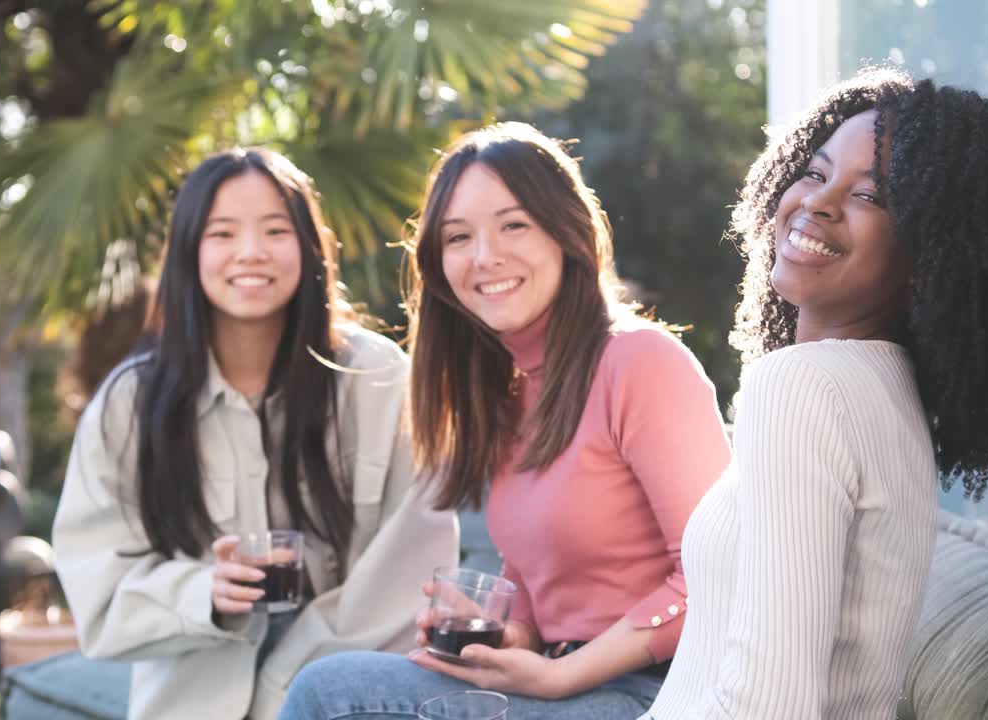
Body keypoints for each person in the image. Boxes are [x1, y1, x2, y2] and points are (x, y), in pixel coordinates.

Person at [642, 68, 988, 720]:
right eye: (817, 173)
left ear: (934, 255)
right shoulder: (884, 391)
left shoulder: (804, 388)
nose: (817, 204)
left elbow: (768, 707)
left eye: (873, 196)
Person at [278, 123, 732, 719]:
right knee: (331, 688)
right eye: (459, 237)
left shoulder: (640, 362)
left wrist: (560, 675)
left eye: (513, 224)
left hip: (659, 692)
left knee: (333, 699)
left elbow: (719, 575)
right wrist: (511, 636)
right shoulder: (509, 391)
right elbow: (536, 574)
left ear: (565, 232)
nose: (485, 256)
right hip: (567, 679)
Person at [51, 147, 458, 720]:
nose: (250, 252)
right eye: (222, 233)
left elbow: (410, 572)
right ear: (189, 251)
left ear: (309, 247)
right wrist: (204, 593)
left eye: (275, 229)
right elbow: (98, 587)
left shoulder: (378, 378)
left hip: (341, 703)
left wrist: (286, 688)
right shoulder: (130, 403)